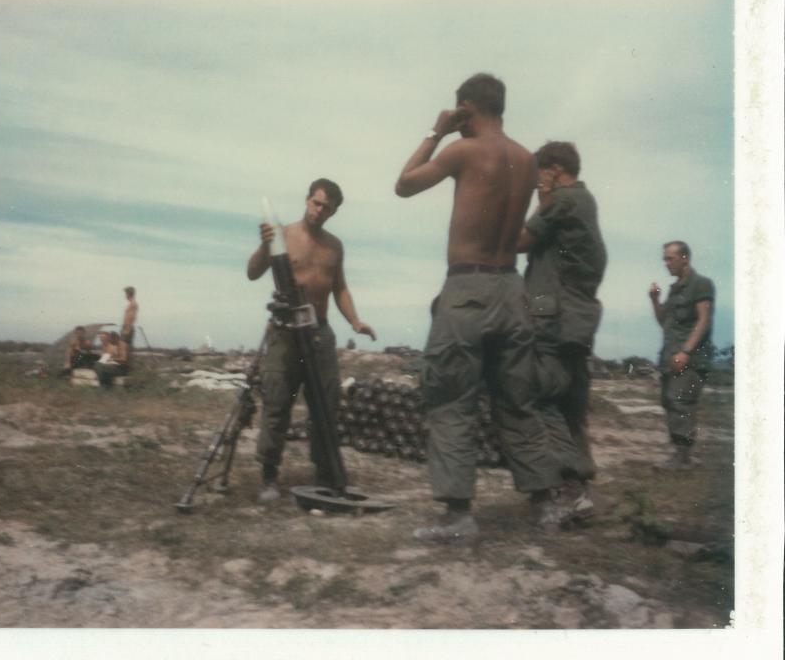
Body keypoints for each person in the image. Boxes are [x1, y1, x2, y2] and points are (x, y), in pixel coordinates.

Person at [394, 73, 566, 543]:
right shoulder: (528, 161)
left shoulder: (464, 150)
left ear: (466, 108)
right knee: (519, 402)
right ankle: (545, 505)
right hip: (512, 289)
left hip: (466, 287)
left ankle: (458, 517)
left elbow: (404, 185)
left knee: (451, 401)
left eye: (458, 111)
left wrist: (437, 131)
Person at [247, 178, 377, 503]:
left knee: (325, 404)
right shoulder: (283, 235)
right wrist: (265, 246)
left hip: (319, 332)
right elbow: (251, 272)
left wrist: (355, 320)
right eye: (316, 203)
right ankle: (268, 476)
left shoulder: (335, 246)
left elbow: (340, 288)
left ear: (334, 212)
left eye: (327, 208)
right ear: (307, 200)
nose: (320, 210)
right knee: (277, 402)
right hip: (285, 332)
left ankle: (325, 474)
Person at [517, 141, 607, 519]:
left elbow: (521, 240)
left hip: (551, 316)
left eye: (539, 172)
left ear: (553, 169)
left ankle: (571, 487)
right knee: (570, 404)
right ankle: (579, 488)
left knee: (544, 396)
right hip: (574, 319)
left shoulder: (563, 201)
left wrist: (542, 197)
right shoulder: (582, 202)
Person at [648, 241, 715, 470]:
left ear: (685, 258)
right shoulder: (674, 289)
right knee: (669, 402)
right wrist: (655, 300)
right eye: (664, 259)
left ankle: (683, 459)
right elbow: (662, 322)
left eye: (670, 258)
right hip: (670, 357)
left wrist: (686, 351)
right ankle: (680, 454)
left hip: (691, 358)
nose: (666, 263)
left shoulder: (701, 284)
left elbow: (704, 320)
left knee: (680, 402)